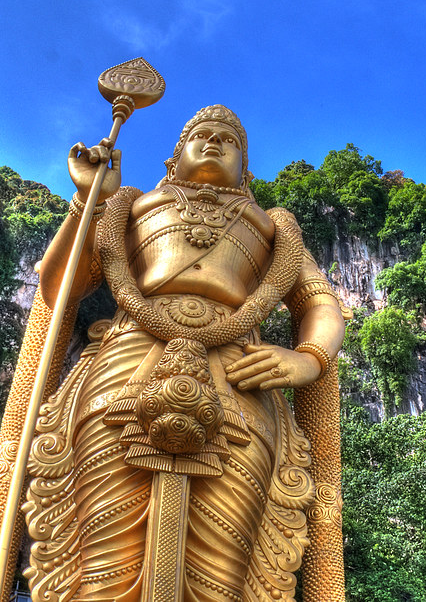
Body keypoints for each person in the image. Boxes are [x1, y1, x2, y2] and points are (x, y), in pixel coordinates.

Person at [22, 105, 345, 601]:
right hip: (127, 366)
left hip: (238, 376)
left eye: (228, 140)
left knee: (225, 559)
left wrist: (309, 358)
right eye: (201, 135)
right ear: (174, 159)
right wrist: (88, 200)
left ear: (246, 169)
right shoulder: (133, 206)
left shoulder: (272, 226)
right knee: (104, 549)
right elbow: (59, 288)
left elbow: (319, 302)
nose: (214, 142)